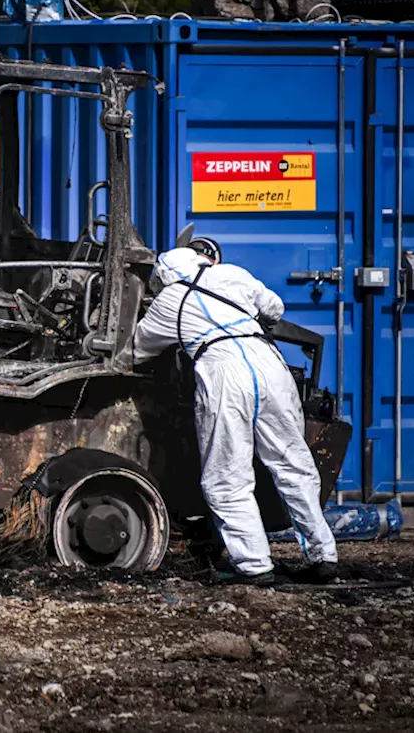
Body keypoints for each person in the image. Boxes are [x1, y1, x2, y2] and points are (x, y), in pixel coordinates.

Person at [132, 233, 338, 585]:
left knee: (227, 477)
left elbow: (138, 349)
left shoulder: (169, 300)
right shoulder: (231, 274)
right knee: (293, 464)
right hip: (269, 364)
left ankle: (255, 565)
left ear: (165, 275)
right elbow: (274, 308)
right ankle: (324, 555)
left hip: (223, 372)